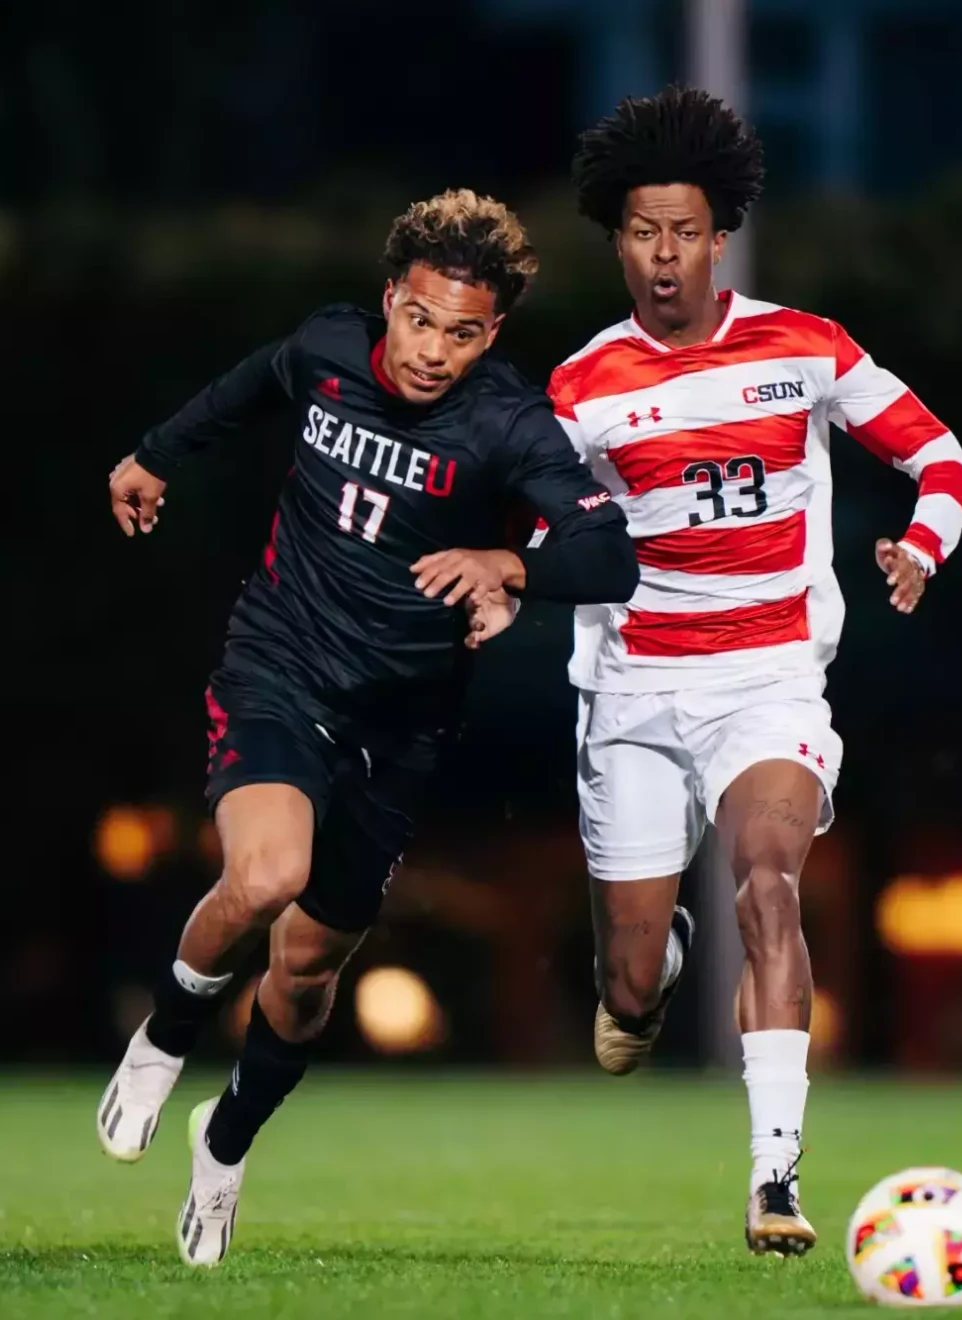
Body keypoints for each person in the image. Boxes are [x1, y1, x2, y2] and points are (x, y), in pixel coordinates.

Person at [95, 189, 637, 1268]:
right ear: (390, 301)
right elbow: (251, 386)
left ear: (495, 333)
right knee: (262, 878)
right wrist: (155, 454)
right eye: (421, 319)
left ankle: (228, 1140)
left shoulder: (509, 424)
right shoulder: (327, 348)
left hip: (403, 716)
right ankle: (163, 1038)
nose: (435, 350)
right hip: (282, 664)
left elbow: (610, 553)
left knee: (306, 969)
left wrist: (509, 565)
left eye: (465, 331)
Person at [541, 85, 962, 1256]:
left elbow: (942, 457)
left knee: (771, 883)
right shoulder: (581, 388)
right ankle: (653, 962)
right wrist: (505, 573)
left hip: (768, 681)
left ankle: (774, 1179)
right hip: (633, 692)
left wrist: (919, 545)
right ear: (617, 239)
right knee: (627, 995)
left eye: (686, 230)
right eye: (643, 233)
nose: (666, 255)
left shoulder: (806, 347)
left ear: (719, 233)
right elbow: (544, 528)